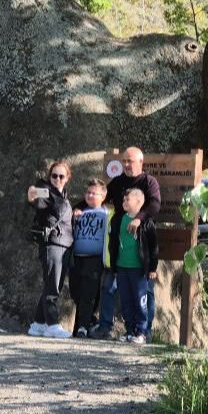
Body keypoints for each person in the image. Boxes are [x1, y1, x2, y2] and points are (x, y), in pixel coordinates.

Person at [90, 147, 162, 341]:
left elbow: (155, 204)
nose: (126, 165)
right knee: (116, 290)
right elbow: (101, 196)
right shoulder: (119, 182)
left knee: (144, 293)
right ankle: (123, 329)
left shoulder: (149, 182)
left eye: (130, 161)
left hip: (141, 251)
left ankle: (144, 332)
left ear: (140, 162)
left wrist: (139, 219)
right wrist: (79, 208)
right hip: (120, 250)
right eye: (124, 161)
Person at [26, 162, 73, 339]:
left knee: (52, 285)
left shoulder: (64, 195)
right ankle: (52, 324)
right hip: (53, 244)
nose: (57, 179)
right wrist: (32, 194)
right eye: (54, 176)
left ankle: (38, 324)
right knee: (52, 286)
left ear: (67, 178)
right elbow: (35, 199)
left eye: (61, 176)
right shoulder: (47, 191)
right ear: (49, 176)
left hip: (65, 244)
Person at [112, 188, 158, 344]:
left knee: (140, 300)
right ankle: (130, 330)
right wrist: (114, 266)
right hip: (122, 267)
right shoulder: (119, 219)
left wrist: (152, 268)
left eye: (128, 199)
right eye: (123, 200)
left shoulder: (146, 223)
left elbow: (153, 247)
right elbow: (113, 243)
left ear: (139, 202)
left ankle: (142, 332)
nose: (124, 202)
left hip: (139, 269)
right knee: (126, 301)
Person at [69, 179, 110, 337]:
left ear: (103, 196)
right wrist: (74, 215)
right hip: (76, 258)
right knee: (76, 292)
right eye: (88, 192)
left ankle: (82, 328)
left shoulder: (106, 213)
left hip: (94, 259)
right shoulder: (79, 211)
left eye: (94, 193)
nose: (90, 195)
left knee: (88, 293)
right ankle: (88, 321)